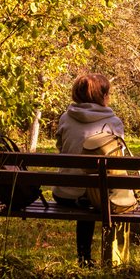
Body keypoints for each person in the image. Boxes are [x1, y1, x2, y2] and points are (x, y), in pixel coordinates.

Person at [53, 73, 124, 267]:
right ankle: (101, 258)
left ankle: (84, 258)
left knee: (87, 195)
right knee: (97, 196)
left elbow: (61, 148)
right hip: (95, 198)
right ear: (103, 95)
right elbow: (118, 160)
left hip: (63, 194)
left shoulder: (66, 118)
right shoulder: (113, 122)